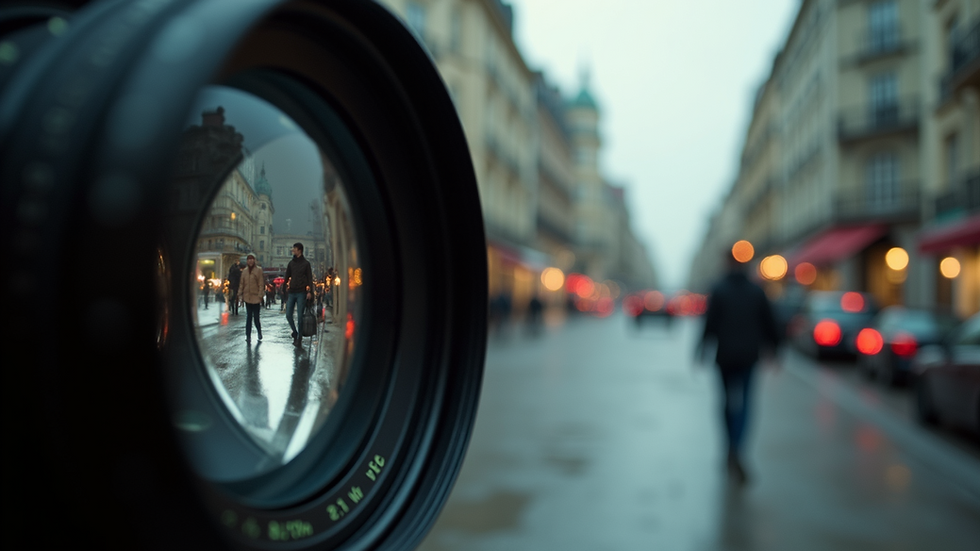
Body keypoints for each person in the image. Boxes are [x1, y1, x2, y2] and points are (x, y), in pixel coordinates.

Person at [698, 251, 781, 485]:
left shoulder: (719, 289)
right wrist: (775, 349)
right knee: (745, 403)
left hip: (724, 355)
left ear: (726, 263)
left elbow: (709, 323)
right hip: (748, 356)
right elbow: (770, 323)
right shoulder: (756, 291)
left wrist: (701, 349)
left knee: (726, 402)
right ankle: (738, 447)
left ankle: (729, 447)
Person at [284, 243, 313, 347]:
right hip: (292, 292)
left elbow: (310, 279)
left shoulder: (306, 264)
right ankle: (295, 332)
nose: (292, 250)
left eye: (294, 249)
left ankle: (299, 337)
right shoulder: (291, 263)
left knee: (300, 316)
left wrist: (310, 292)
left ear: (299, 250)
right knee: (288, 315)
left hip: (301, 292)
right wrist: (284, 289)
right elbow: (286, 277)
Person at [238, 254, 265, 343]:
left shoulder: (258, 270)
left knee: (256, 318)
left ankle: (259, 332)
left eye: (252, 259)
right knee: (248, 317)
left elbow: (261, 283)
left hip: (256, 297)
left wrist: (260, 295)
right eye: (248, 259)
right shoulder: (244, 271)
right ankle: (248, 335)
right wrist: (240, 294)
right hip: (247, 297)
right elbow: (242, 284)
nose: (250, 261)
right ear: (247, 261)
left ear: (254, 260)